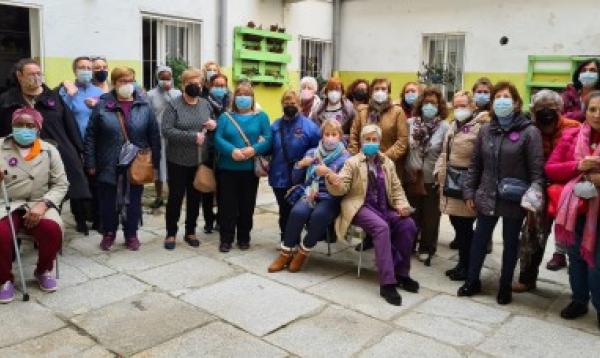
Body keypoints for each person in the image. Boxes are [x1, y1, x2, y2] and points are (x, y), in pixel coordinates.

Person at [459, 81, 544, 305]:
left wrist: (534, 197)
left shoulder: (529, 132)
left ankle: (505, 286)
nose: (501, 101)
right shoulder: (486, 130)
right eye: (497, 97)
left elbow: (537, 171)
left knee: (510, 244)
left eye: (506, 97)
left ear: (516, 102)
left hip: (514, 198)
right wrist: (469, 192)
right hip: (486, 195)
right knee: (479, 240)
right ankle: (472, 280)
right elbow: (475, 165)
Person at [325, 124, 419, 306]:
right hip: (360, 206)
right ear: (361, 142)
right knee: (381, 228)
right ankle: (387, 283)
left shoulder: (387, 163)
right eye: (367, 139)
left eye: (374, 140)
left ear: (379, 141)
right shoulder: (352, 162)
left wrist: (402, 205)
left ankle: (402, 274)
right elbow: (341, 188)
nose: (370, 143)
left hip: (384, 207)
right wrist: (333, 180)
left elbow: (397, 188)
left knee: (408, 225)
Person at [0, 58, 91, 235]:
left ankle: (52, 226)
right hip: (19, 157)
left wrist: (79, 149)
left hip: (57, 153)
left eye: (38, 73)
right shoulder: (6, 101)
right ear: (19, 76)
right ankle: (22, 228)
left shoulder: (53, 98)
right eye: (31, 74)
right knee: (25, 189)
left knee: (61, 189)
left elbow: (69, 124)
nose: (36, 77)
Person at [84, 66, 161, 251]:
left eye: (130, 81)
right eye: (122, 81)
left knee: (133, 202)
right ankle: (109, 233)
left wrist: (155, 163)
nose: (127, 85)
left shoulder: (144, 105)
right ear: (114, 83)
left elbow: (154, 135)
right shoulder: (102, 105)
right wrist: (90, 162)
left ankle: (131, 234)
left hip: (136, 163)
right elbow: (90, 136)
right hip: (108, 162)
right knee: (108, 203)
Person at [512, 90, 580, 293]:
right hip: (539, 187)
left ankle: (580, 289)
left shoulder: (574, 128)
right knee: (532, 234)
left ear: (559, 109)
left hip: (568, 190)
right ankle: (527, 278)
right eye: (540, 107)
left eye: (551, 107)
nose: (546, 111)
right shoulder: (529, 129)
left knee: (574, 238)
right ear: (533, 110)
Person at [544, 90, 600, 329]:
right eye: (593, 109)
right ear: (585, 111)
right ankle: (579, 300)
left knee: (597, 263)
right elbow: (551, 168)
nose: (597, 115)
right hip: (576, 210)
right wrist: (578, 165)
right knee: (576, 257)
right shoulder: (571, 135)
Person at [0, 108, 68, 303]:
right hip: (6, 202)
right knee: (1, 233)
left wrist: (43, 205)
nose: (24, 129)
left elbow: (61, 184)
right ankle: (4, 279)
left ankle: (43, 269)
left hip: (39, 202)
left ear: (38, 128)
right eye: (19, 125)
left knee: (52, 229)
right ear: (12, 126)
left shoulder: (49, 150)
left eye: (30, 126)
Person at [268, 119, 349, 272]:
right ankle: (285, 253)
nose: (330, 137)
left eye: (334, 134)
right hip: (310, 193)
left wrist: (329, 174)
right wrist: (300, 165)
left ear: (340, 136)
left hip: (331, 197)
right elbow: (296, 179)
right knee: (297, 212)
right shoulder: (312, 152)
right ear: (322, 136)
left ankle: (303, 252)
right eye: (327, 134)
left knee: (318, 216)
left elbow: (344, 184)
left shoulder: (346, 157)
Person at [436, 91, 489, 281]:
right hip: (451, 182)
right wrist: (439, 171)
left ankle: (469, 268)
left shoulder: (481, 126)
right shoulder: (453, 125)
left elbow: (483, 159)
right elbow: (445, 152)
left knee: (465, 228)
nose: (459, 109)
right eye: (456, 106)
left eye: (463, 106)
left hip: (467, 183)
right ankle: (462, 264)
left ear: (472, 106)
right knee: (458, 226)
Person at [214, 82, 272, 253]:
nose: (242, 98)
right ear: (234, 98)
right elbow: (217, 139)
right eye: (239, 94)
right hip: (227, 169)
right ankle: (226, 239)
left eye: (246, 95)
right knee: (227, 206)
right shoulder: (225, 117)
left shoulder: (261, 117)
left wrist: (254, 149)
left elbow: (268, 138)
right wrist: (231, 151)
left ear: (252, 98)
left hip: (249, 170)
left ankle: (244, 237)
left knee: (247, 205)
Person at [161, 68, 215, 250]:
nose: (196, 86)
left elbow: (212, 123)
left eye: (199, 83)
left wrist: (213, 125)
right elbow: (167, 130)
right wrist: (191, 136)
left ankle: (190, 231)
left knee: (195, 197)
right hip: (177, 160)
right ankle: (170, 233)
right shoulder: (173, 105)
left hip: (199, 160)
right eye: (192, 83)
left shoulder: (205, 104)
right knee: (175, 198)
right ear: (183, 85)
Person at [59, 56, 105, 233]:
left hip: (95, 144)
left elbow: (107, 116)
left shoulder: (99, 92)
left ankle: (97, 219)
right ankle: (79, 220)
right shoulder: (65, 91)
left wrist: (98, 106)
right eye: (81, 67)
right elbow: (61, 116)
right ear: (74, 70)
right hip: (73, 143)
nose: (85, 70)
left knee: (96, 182)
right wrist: (70, 95)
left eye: (88, 67)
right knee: (77, 181)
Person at [404, 86, 450, 265]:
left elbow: (446, 153)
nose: (429, 106)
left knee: (430, 217)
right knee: (411, 214)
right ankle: (409, 244)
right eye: (426, 102)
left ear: (439, 106)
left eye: (433, 103)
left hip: (432, 179)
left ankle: (426, 247)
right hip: (412, 177)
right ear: (420, 104)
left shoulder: (445, 127)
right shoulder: (410, 123)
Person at [269, 90, 320, 241]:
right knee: (284, 210)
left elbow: (317, 151)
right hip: (279, 175)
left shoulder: (310, 127)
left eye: (293, 103)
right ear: (282, 105)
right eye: (287, 103)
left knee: (297, 211)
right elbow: (268, 147)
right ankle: (286, 239)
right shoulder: (275, 126)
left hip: (301, 177)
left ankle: (295, 239)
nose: (290, 106)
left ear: (299, 105)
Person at [147, 65, 182, 210]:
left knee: (173, 166)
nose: (165, 81)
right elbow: (148, 115)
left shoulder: (177, 93)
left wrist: (169, 96)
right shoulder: (150, 94)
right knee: (158, 167)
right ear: (157, 78)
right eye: (162, 78)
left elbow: (181, 111)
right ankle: (159, 196)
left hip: (173, 135)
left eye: (168, 78)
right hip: (158, 136)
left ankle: (173, 196)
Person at [201, 73, 231, 233]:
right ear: (210, 86)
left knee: (223, 188)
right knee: (207, 186)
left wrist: (217, 124)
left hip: (225, 151)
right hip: (207, 151)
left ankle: (221, 218)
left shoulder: (231, 103)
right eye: (216, 85)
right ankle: (208, 220)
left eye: (222, 85)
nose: (220, 88)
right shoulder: (203, 102)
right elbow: (202, 122)